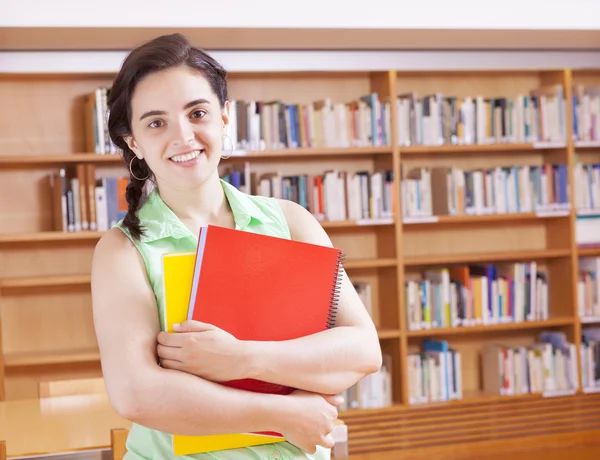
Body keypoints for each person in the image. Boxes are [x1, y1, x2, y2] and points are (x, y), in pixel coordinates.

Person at [90, 33, 382, 460]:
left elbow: (362, 349)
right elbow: (137, 393)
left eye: (198, 113)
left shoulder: (292, 221)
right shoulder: (123, 251)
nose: (184, 136)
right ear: (133, 141)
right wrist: (284, 414)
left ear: (225, 117)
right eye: (156, 122)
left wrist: (241, 359)